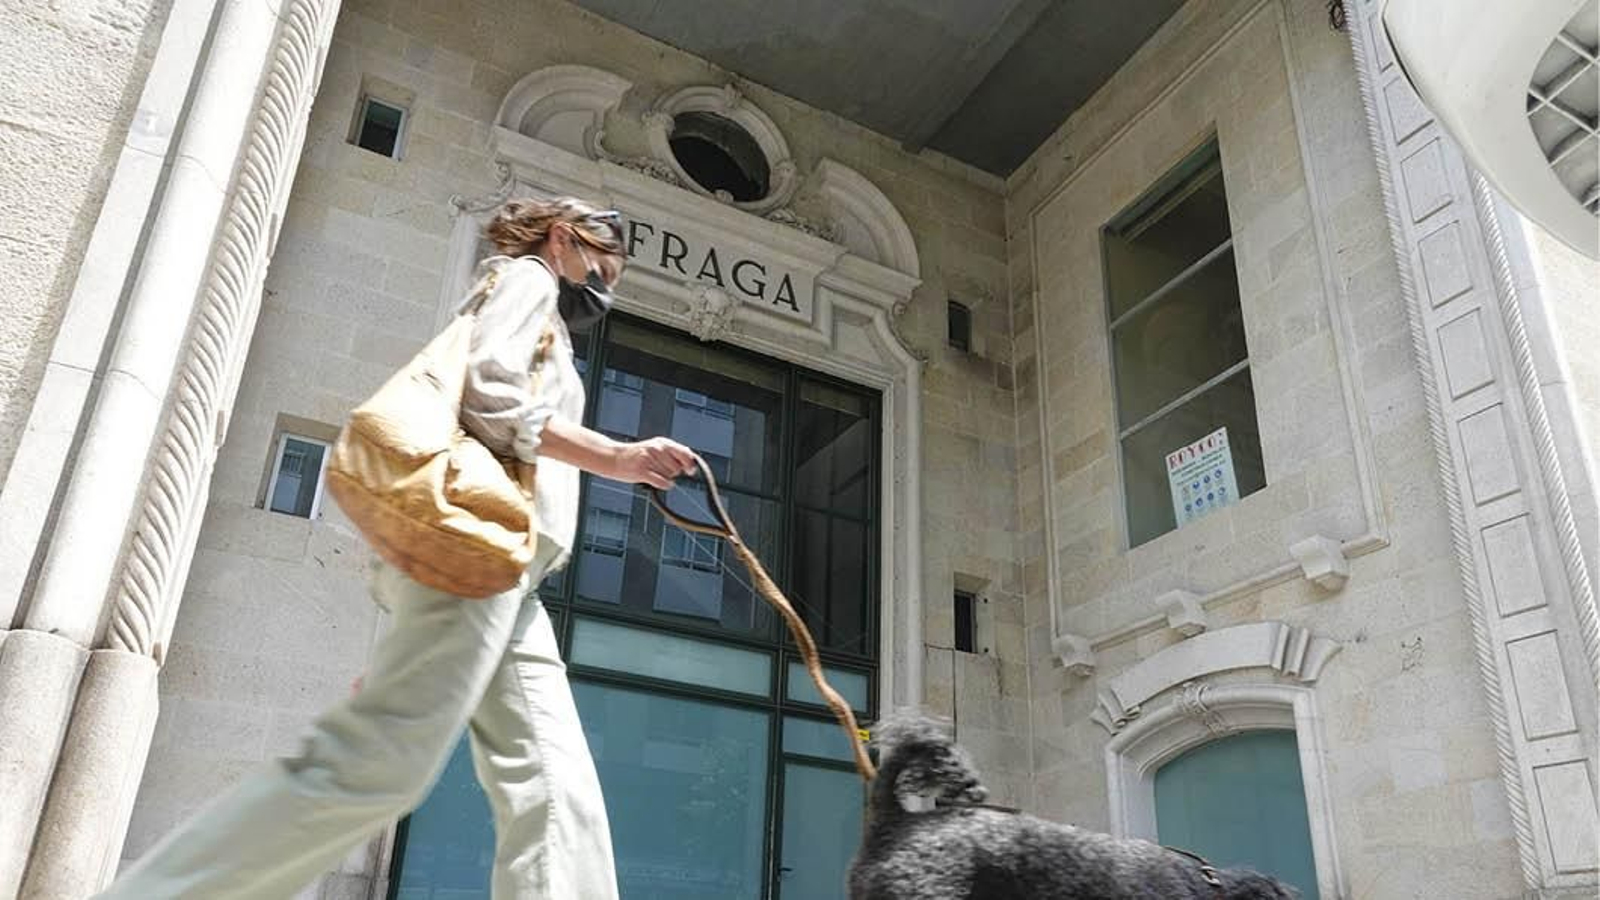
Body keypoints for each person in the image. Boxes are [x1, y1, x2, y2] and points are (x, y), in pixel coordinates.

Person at [99, 197, 696, 899]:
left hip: (512, 581)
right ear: (563, 239)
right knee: (381, 764)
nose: (603, 291)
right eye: (601, 269)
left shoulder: (547, 316)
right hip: (476, 550)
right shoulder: (529, 279)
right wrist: (618, 457)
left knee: (559, 794)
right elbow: (492, 396)